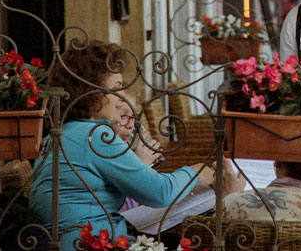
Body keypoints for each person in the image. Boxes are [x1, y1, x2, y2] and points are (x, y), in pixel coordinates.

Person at [30, 41, 214, 251]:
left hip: (88, 241)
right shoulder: (94, 135)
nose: (121, 98)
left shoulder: (68, 131)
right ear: (93, 93)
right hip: (88, 245)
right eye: (116, 89)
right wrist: (198, 172)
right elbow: (160, 192)